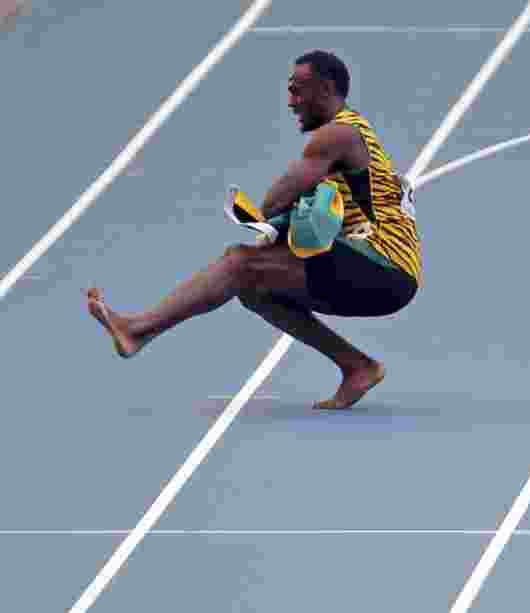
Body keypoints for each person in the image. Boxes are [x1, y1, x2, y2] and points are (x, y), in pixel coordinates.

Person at [86, 50, 422, 410]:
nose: (291, 102)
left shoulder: (336, 135)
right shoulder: (350, 133)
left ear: (324, 89)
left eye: (297, 90)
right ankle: (358, 367)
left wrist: (270, 217)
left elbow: (275, 201)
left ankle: (137, 329)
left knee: (240, 263)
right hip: (385, 273)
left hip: (384, 267)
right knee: (253, 289)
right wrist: (283, 225)